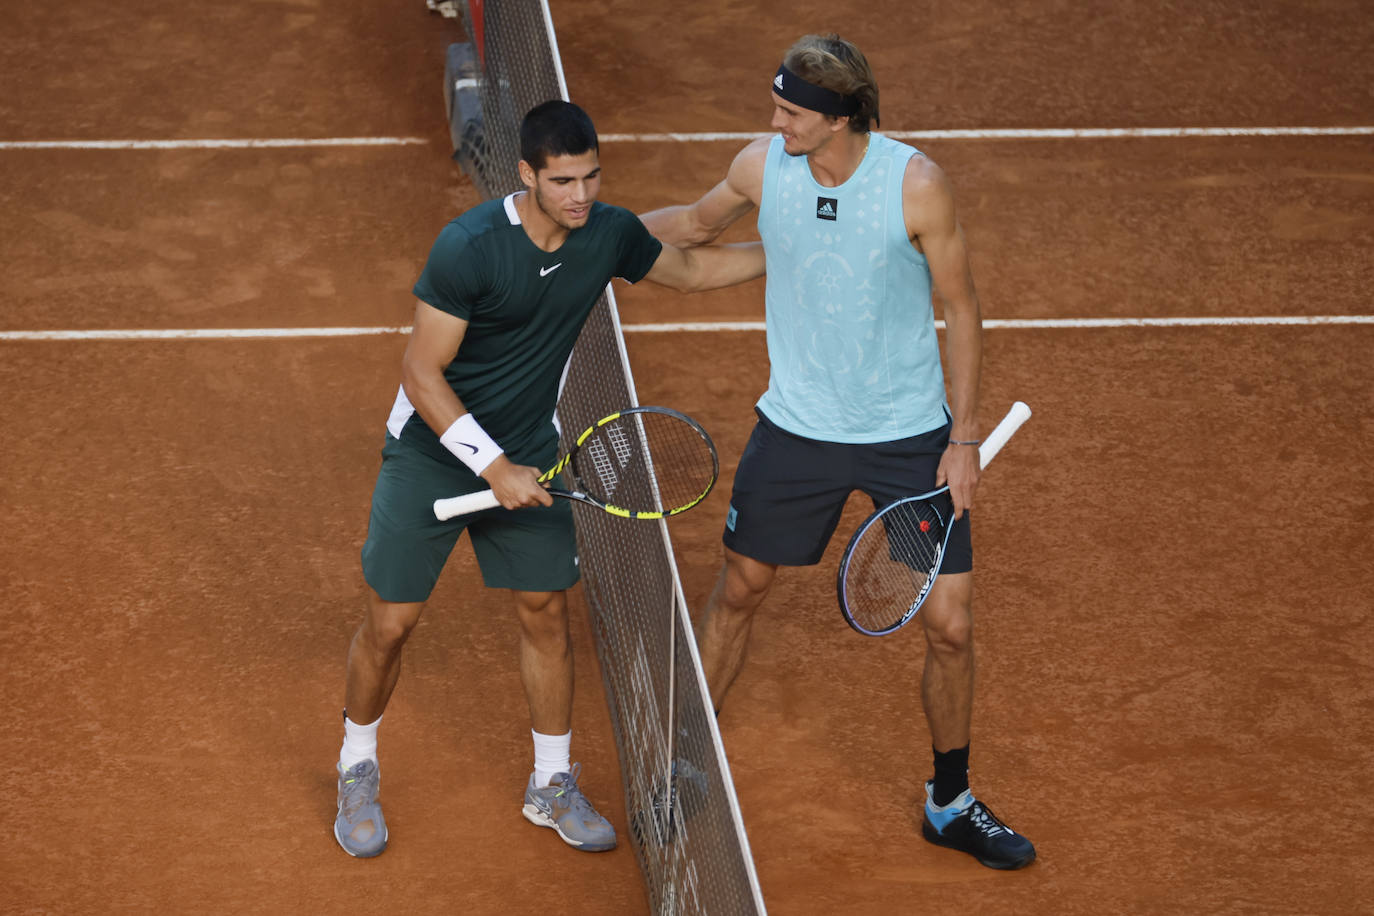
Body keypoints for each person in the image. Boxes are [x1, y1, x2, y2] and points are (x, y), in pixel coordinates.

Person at [638, 34, 1035, 870]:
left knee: (951, 627)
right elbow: (695, 231)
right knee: (739, 590)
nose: (774, 122)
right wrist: (591, 237)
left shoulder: (914, 184)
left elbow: (961, 308)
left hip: (908, 438)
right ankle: (679, 769)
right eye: (776, 107)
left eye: (791, 112)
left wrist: (963, 439)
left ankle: (950, 801)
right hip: (797, 430)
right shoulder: (760, 166)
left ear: (841, 118)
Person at [333, 99, 766, 859]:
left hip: (532, 447)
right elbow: (421, 372)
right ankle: (356, 763)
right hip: (434, 452)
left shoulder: (606, 234)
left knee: (545, 611)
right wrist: (492, 466)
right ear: (526, 174)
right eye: (563, 180)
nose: (580, 195)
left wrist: (792, 251)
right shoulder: (468, 247)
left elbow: (693, 271)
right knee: (391, 625)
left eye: (591, 177)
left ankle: (551, 783)